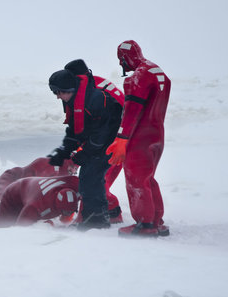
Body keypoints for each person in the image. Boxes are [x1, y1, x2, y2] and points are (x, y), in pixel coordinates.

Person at [105, 40, 171, 237]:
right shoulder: (157, 72)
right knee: (148, 178)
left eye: (120, 60)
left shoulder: (139, 77)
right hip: (157, 133)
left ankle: (145, 224)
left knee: (136, 179)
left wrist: (122, 138)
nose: (120, 65)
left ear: (126, 58)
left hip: (140, 136)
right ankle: (157, 220)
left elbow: (132, 111)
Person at [47, 66, 123, 230]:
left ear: (68, 89)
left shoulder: (93, 99)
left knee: (92, 179)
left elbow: (100, 135)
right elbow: (76, 130)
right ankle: (102, 217)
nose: (58, 97)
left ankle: (96, 220)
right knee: (89, 178)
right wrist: (64, 151)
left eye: (58, 92)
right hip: (99, 144)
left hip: (112, 144)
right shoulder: (78, 99)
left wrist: (83, 155)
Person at [64, 59, 126, 223]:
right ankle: (112, 214)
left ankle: (91, 219)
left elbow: (101, 128)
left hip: (117, 142)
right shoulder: (90, 85)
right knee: (96, 180)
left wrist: (87, 152)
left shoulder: (91, 92)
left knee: (94, 180)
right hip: (111, 139)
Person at [0, 157, 78, 212]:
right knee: (3, 199)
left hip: (17, 183)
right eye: (74, 169)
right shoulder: (54, 168)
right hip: (10, 179)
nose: (75, 172)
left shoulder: (61, 170)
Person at [0, 176, 81, 230]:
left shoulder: (77, 184)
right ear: (57, 205)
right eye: (65, 211)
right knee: (0, 226)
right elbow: (19, 231)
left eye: (71, 211)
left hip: (30, 189)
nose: (68, 213)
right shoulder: (37, 206)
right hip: (14, 195)